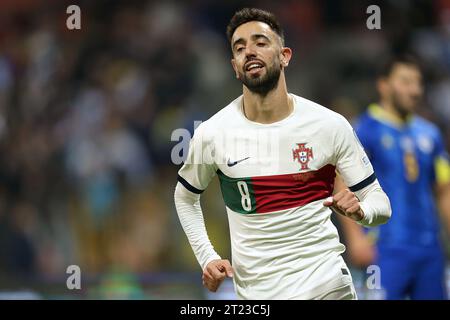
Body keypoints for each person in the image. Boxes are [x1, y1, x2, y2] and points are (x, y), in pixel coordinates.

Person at [173, 8, 391, 300]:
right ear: (235, 66)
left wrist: (362, 212)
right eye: (240, 48)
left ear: (285, 56)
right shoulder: (212, 134)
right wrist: (207, 257)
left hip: (326, 286)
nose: (249, 51)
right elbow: (185, 196)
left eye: (260, 42)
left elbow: (381, 204)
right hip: (257, 296)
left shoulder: (330, 125)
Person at [340, 55, 450, 299]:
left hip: (429, 247)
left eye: (418, 83)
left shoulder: (430, 134)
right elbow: (342, 183)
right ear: (384, 85)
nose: (414, 90)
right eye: (406, 81)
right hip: (384, 248)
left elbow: (443, 189)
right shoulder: (363, 130)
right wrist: (356, 238)